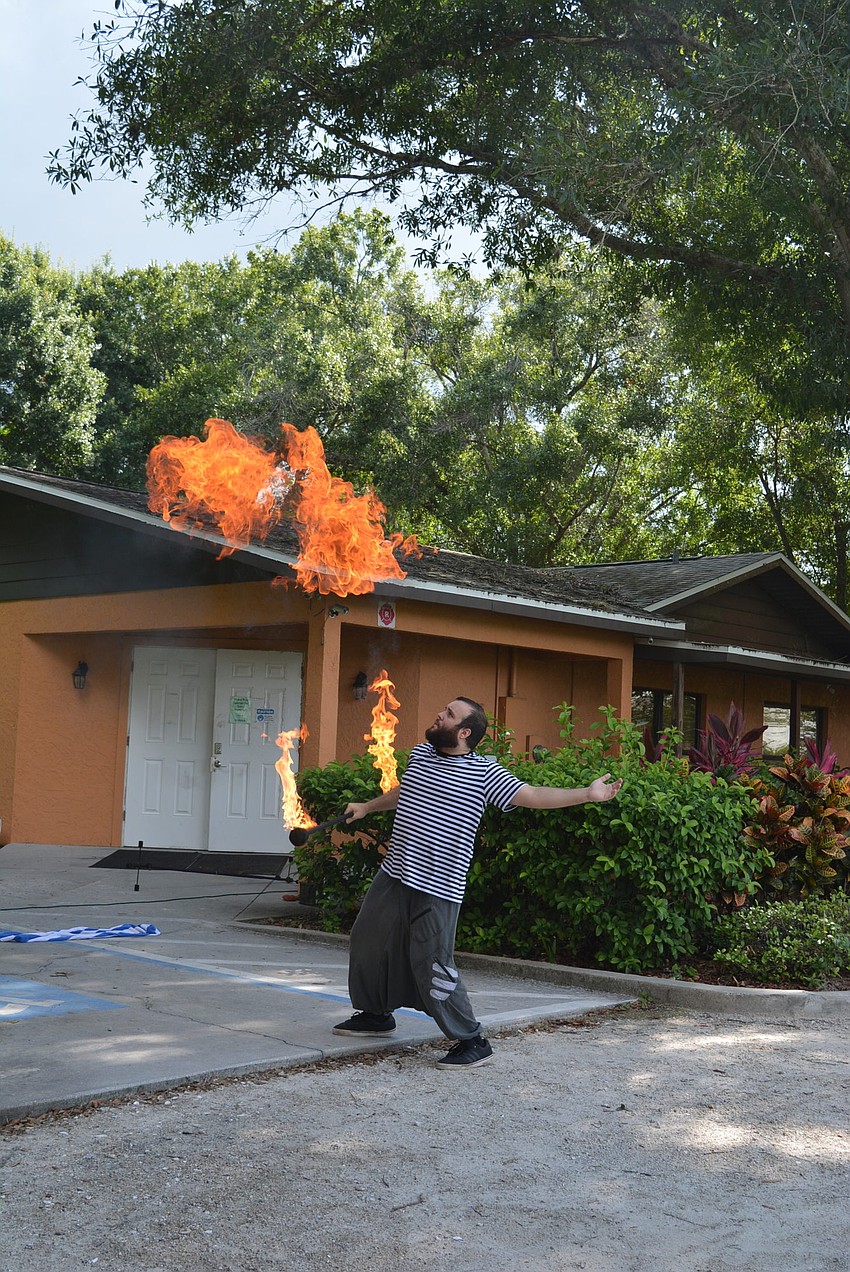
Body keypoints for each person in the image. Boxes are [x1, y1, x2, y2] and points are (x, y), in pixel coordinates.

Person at [333, 696, 622, 1070]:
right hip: (396, 872)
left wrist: (587, 794)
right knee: (367, 938)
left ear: (465, 731)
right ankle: (376, 1014)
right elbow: (406, 792)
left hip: (437, 884)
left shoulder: (485, 773)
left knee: (433, 963)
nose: (439, 714)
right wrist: (368, 806)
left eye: (449, 714)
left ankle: (472, 1039)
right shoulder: (421, 755)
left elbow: (532, 794)